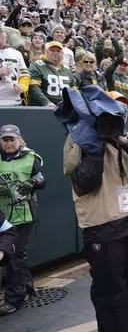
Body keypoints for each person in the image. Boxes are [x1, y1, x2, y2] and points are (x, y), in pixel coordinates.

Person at [63, 91, 128, 331]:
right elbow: (84, 182)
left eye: (122, 111)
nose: (119, 115)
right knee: (111, 295)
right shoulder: (79, 140)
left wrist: (124, 141)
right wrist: (95, 148)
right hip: (102, 228)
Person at [0, 124, 45, 316]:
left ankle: (14, 299)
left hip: (23, 214)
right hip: (2, 215)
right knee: (18, 255)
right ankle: (26, 286)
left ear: (19, 139)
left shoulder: (31, 158)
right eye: (5, 139)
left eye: (12, 139)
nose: (9, 143)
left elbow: (42, 179)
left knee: (14, 256)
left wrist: (33, 183)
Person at [28, 41, 75, 107]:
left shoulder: (67, 70)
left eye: (58, 51)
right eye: (52, 50)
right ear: (46, 52)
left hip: (63, 108)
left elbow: (73, 90)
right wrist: (46, 102)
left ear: (62, 54)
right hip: (41, 108)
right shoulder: (37, 65)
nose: (55, 53)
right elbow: (34, 87)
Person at [0, 27, 29, 106]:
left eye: (1, 34)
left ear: (5, 35)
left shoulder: (16, 53)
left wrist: (22, 86)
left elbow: (24, 75)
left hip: (14, 101)